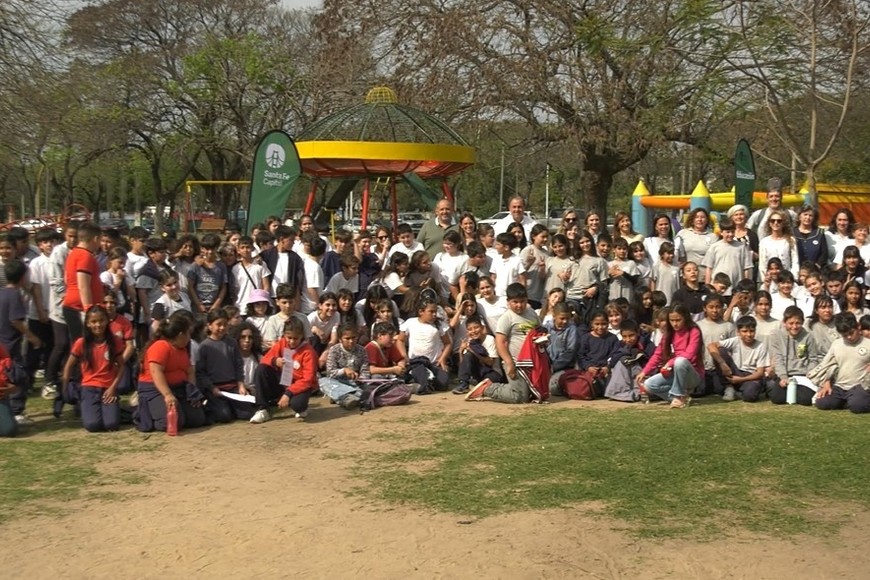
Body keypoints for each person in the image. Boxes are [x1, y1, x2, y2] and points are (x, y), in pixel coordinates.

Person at [465, 283, 541, 403]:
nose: (519, 305)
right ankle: (488, 388)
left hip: (532, 361)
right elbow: (499, 342)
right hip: (515, 361)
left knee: (536, 393)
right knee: (519, 397)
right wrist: (509, 363)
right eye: (515, 302)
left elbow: (538, 331)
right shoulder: (507, 318)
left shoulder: (531, 313)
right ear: (508, 302)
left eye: (522, 301)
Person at [134, 311, 206, 433]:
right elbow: (156, 372)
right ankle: (145, 411)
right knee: (172, 422)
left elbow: (190, 371)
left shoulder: (182, 349)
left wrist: (191, 392)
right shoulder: (160, 346)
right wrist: (167, 394)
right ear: (180, 335)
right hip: (156, 389)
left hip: (178, 388)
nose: (190, 338)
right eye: (188, 334)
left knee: (197, 420)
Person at [62, 305, 125, 431]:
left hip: (108, 388)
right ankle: (86, 406)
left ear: (107, 321)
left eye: (101, 320)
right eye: (94, 321)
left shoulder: (115, 341)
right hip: (89, 388)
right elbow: (69, 365)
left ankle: (115, 409)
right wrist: (64, 388)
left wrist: (113, 388)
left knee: (111, 424)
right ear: (88, 324)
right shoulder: (81, 343)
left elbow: (122, 366)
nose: (98, 325)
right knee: (92, 425)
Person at [251, 316, 318, 423]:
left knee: (298, 405)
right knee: (261, 369)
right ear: (284, 335)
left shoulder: (309, 352)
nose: (291, 341)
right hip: (283, 381)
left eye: (295, 338)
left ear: (302, 336)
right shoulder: (282, 343)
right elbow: (265, 359)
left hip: (298, 385)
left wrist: (289, 393)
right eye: (289, 337)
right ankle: (262, 409)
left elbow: (307, 379)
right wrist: (274, 361)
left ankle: (301, 407)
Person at [636, 303, 704, 409]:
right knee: (648, 384)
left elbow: (689, 355)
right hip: (673, 372)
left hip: (692, 374)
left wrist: (670, 362)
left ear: (685, 318)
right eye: (672, 320)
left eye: (678, 320)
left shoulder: (694, 331)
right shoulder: (669, 333)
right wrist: (644, 372)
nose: (675, 324)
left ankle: (678, 395)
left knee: (680, 361)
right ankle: (679, 398)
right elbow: (657, 355)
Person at [1, 259, 41, 424]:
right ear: (22, 277)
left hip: (2, 344)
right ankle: (17, 411)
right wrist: (32, 337)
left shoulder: (2, 293)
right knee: (19, 376)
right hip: (10, 344)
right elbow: (15, 321)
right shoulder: (15, 295)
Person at [808, 312, 870, 413]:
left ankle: (854, 400)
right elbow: (827, 365)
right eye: (845, 335)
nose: (849, 337)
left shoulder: (868, 344)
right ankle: (847, 401)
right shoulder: (836, 344)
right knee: (822, 403)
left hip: (860, 385)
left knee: (858, 406)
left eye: (851, 333)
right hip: (839, 386)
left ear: (858, 326)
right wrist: (826, 383)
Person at [196, 310, 250, 423]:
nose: (222, 328)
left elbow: (238, 364)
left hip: (232, 387)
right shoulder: (204, 346)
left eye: (225, 324)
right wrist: (211, 388)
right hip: (216, 389)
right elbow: (201, 372)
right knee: (224, 416)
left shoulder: (232, 343)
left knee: (246, 414)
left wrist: (241, 385)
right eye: (218, 324)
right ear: (209, 326)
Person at [767, 306, 823, 406]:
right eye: (791, 323)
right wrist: (783, 377)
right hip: (785, 374)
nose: (794, 326)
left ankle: (796, 392)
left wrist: (809, 374)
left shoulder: (808, 336)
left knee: (805, 399)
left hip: (803, 375)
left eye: (798, 323)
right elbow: (778, 358)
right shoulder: (776, 336)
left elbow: (813, 358)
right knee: (776, 398)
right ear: (784, 322)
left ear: (802, 322)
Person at [708, 316, 770, 402]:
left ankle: (738, 393)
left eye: (751, 331)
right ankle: (728, 387)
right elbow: (711, 346)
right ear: (738, 332)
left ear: (755, 331)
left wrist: (740, 379)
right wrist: (722, 364)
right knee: (719, 351)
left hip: (750, 376)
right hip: (734, 371)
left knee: (750, 396)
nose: (748, 334)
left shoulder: (761, 346)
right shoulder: (735, 341)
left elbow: (760, 373)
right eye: (744, 331)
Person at [62, 221, 104, 343]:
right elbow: (83, 285)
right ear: (95, 239)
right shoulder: (85, 256)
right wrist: (88, 310)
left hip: (73, 304)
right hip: (79, 307)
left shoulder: (74, 253)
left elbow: (66, 279)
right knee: (83, 345)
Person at [399, 298, 451, 393]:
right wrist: (404, 356)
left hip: (434, 363)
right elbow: (400, 340)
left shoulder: (439, 324)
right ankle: (413, 382)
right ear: (421, 312)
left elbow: (447, 343)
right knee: (424, 383)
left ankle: (428, 380)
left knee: (444, 384)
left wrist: (443, 358)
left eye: (435, 311)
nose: (434, 314)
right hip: (417, 362)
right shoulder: (411, 322)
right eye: (431, 312)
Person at [319, 323, 371, 410]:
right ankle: (348, 396)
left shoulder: (362, 350)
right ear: (340, 339)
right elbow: (330, 372)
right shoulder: (334, 350)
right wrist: (344, 371)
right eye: (347, 338)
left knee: (367, 388)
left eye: (354, 338)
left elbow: (365, 370)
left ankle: (341, 397)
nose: (351, 341)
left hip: (355, 383)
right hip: (338, 382)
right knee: (322, 381)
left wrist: (361, 378)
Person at [451, 314, 503, 395]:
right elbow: (463, 365)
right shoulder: (470, 341)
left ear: (482, 328)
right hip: (478, 373)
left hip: (493, 372)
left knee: (486, 385)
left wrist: (473, 351)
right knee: (468, 355)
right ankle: (463, 384)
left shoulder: (489, 339)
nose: (473, 331)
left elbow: (490, 362)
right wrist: (461, 351)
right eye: (470, 329)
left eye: (476, 328)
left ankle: (480, 388)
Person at [696, 293, 735, 396]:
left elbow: (733, 349)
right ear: (705, 308)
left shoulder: (728, 326)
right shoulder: (698, 326)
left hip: (720, 369)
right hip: (703, 368)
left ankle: (728, 387)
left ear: (723, 308)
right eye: (711, 307)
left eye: (718, 307)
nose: (714, 310)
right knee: (700, 391)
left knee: (719, 389)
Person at [576, 310, 620, 397]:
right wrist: (588, 367)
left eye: (603, 324)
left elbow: (615, 355)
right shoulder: (586, 338)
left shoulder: (613, 338)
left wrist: (608, 367)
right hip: (590, 371)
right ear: (592, 324)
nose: (600, 327)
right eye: (597, 324)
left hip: (606, 371)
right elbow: (581, 356)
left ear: (608, 324)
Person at [702, 218, 752, 292]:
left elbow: (747, 268)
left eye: (732, 232)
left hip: (736, 287)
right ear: (721, 232)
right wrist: (708, 286)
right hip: (718, 288)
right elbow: (709, 268)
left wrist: (746, 286)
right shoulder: (714, 247)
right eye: (728, 232)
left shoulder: (741, 247)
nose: (730, 234)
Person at [232, 235, 270, 312]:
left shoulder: (260, 264)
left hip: (256, 306)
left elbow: (266, 286)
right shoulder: (235, 268)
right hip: (240, 306)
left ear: (252, 248)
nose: (245, 250)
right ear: (238, 250)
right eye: (242, 247)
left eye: (248, 247)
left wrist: (262, 301)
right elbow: (235, 289)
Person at [758, 210, 800, 277]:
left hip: (787, 279)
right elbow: (762, 265)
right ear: (769, 223)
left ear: (783, 223)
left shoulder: (791, 240)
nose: (776, 223)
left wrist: (793, 278)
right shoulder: (764, 242)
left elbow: (795, 262)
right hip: (771, 279)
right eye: (773, 220)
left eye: (779, 221)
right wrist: (766, 279)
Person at [793, 204, 828, 270]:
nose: (808, 217)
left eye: (810, 215)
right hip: (797, 270)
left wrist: (817, 266)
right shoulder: (792, 233)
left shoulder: (819, 233)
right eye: (805, 214)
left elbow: (824, 253)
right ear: (800, 216)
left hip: (815, 271)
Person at [491, 232, 525, 298]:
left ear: (506, 247)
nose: (496, 247)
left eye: (498, 244)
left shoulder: (517, 260)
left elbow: (522, 280)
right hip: (498, 295)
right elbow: (493, 276)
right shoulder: (496, 259)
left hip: (512, 296)